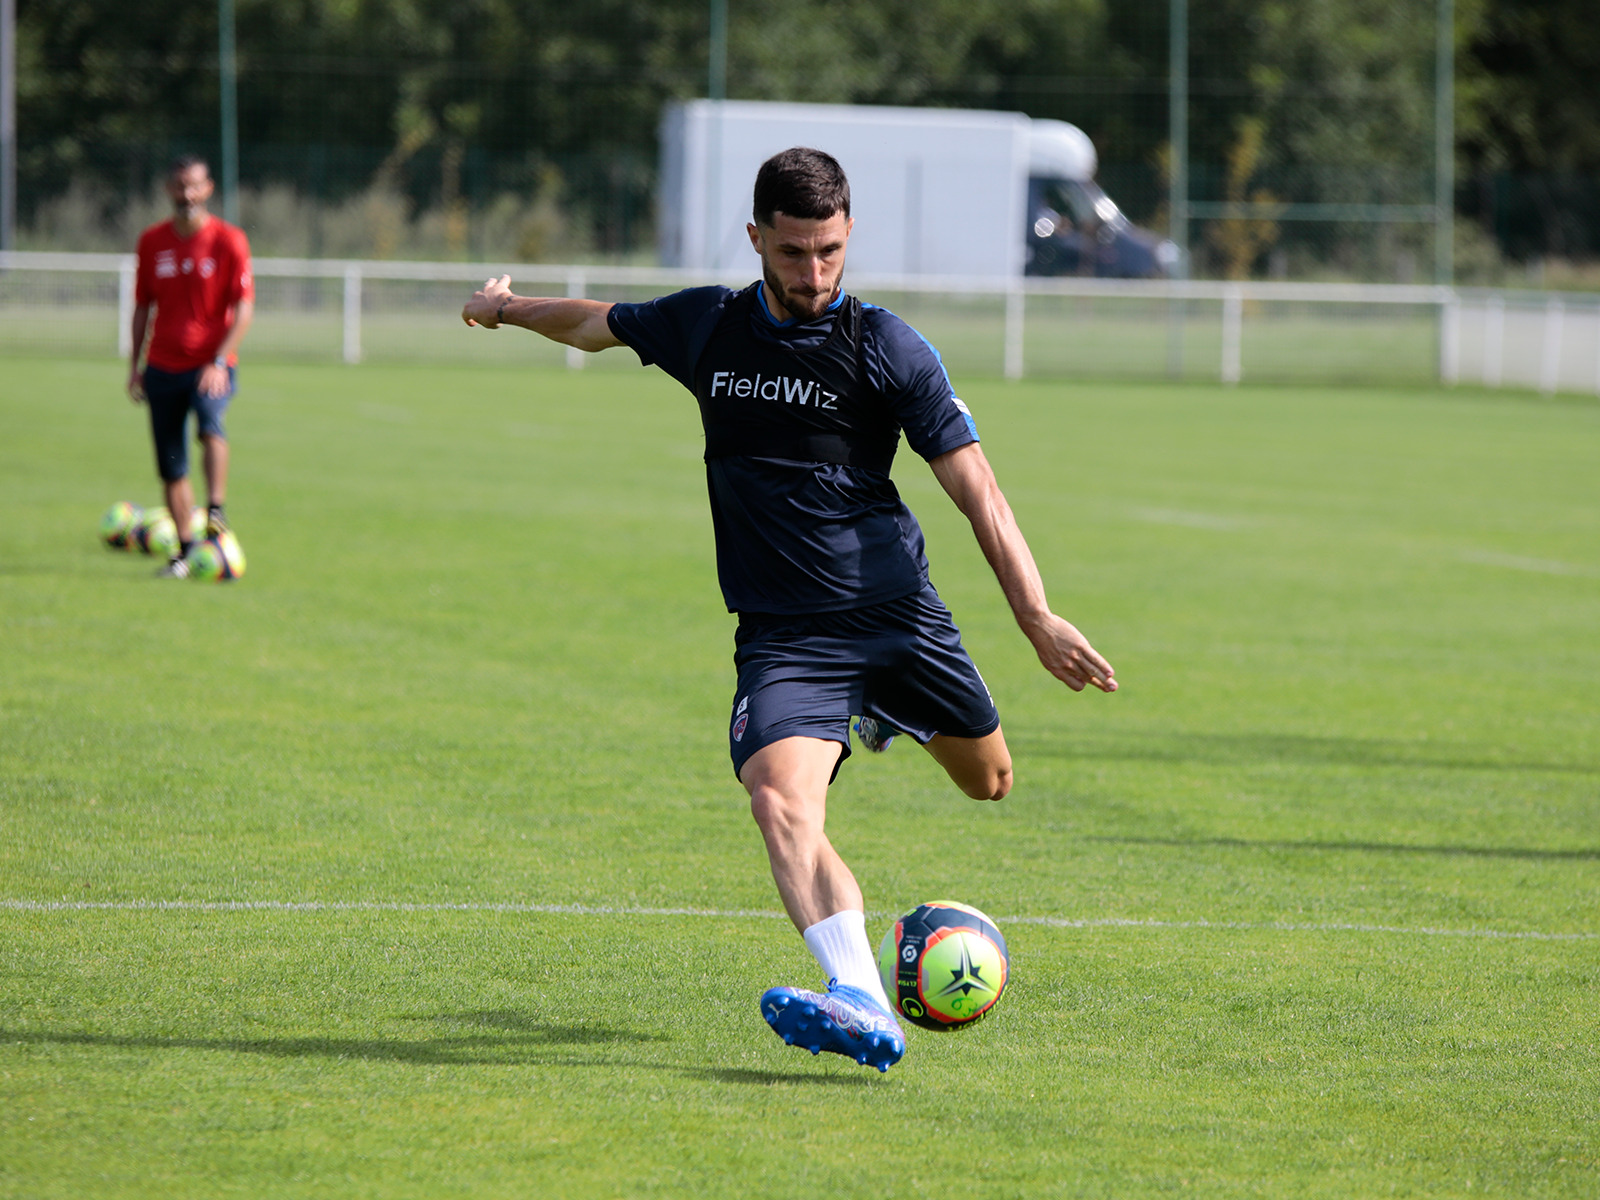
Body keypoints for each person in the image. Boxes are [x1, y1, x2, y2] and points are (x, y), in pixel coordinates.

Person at [461, 147, 1115, 1072]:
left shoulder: (886, 347)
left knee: (989, 781)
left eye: (832, 251)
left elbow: (981, 493)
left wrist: (1037, 616)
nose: (814, 274)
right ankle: (859, 996)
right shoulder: (708, 326)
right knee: (778, 800)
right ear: (757, 237)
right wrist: (506, 308)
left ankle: (881, 718)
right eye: (796, 252)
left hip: (897, 618)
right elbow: (593, 322)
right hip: (786, 638)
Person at [127, 154, 255, 577]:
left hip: (210, 364)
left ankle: (215, 510)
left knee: (210, 427)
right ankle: (183, 552)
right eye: (180, 186)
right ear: (169, 189)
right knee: (171, 463)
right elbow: (143, 305)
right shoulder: (152, 241)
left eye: (194, 186)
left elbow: (244, 307)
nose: (187, 195)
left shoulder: (228, 240)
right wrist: (135, 365)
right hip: (162, 365)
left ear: (208, 189)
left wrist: (220, 361)